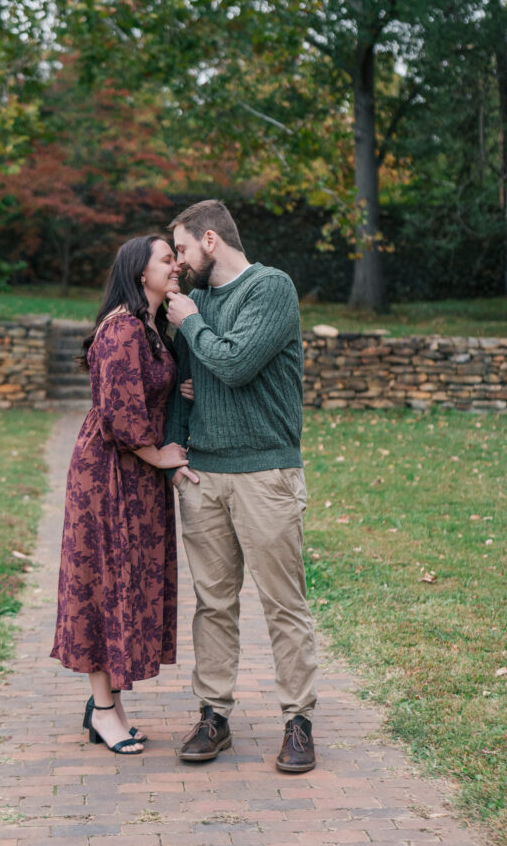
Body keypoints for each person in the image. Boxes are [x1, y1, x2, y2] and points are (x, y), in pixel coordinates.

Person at [165, 199, 319, 773]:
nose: (177, 263)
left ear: (210, 240)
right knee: (213, 603)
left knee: (284, 604)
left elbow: (233, 364)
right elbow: (185, 380)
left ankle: (298, 721)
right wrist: (179, 453)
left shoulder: (271, 288)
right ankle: (214, 716)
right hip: (204, 476)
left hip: (266, 474)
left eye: (181, 249)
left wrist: (193, 326)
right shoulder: (194, 303)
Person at [50, 235, 198, 754]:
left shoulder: (151, 329)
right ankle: (105, 711)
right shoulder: (122, 328)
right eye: (166, 259)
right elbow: (117, 410)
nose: (175, 265)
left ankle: (106, 707)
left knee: (125, 584)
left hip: (133, 476)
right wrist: (159, 454)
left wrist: (178, 388)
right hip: (108, 474)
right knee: (104, 585)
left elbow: (145, 389)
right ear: (140, 273)